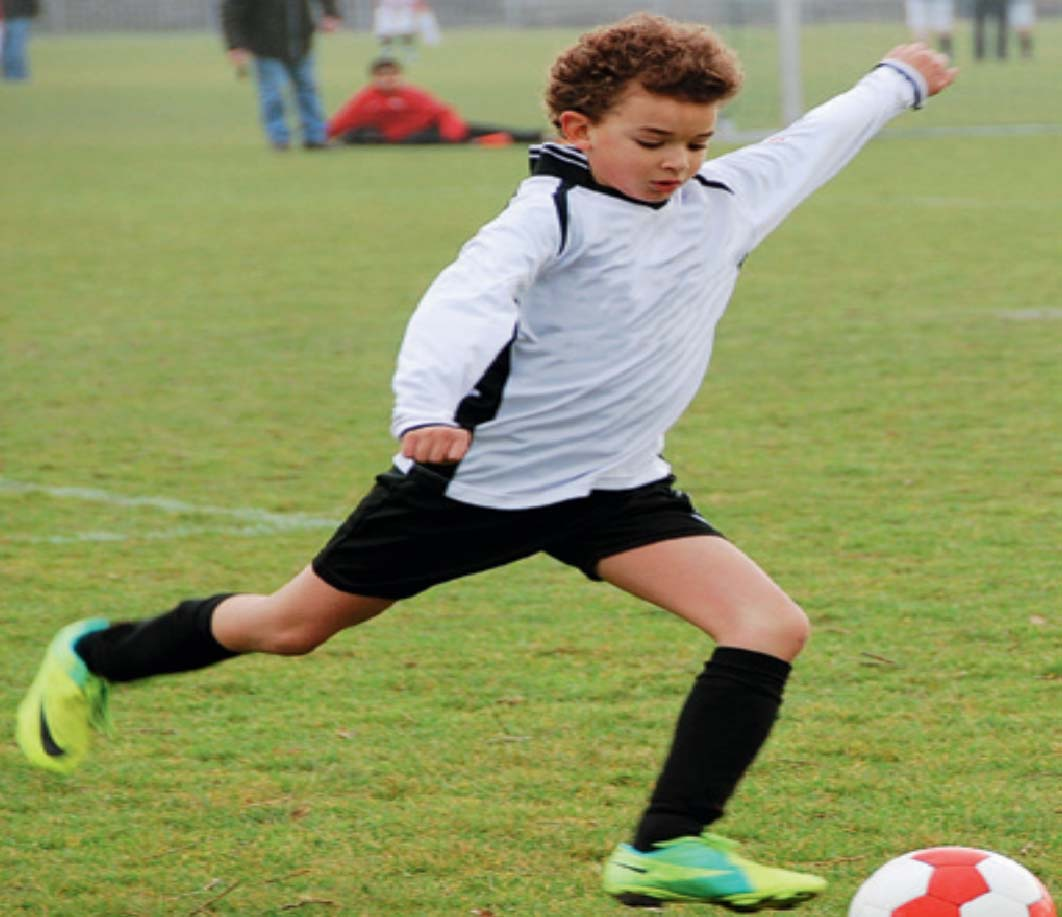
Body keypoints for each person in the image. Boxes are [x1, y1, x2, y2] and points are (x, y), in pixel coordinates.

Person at [15, 14, 956, 911]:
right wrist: (426, 407)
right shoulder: (544, 215)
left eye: (697, 142)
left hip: (615, 486)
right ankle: (97, 652)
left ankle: (665, 845)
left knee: (767, 624)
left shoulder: (724, 202)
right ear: (579, 127)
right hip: (474, 485)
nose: (678, 161)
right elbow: (466, 300)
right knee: (288, 627)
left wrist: (897, 81)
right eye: (653, 139)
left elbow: (817, 138)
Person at [328, 57, 544, 146]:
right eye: (383, 76)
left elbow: (442, 112)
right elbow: (345, 119)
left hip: (433, 130)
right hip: (405, 139)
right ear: (374, 78)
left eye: (392, 75)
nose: (388, 79)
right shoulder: (366, 99)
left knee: (478, 130)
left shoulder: (412, 95)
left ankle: (535, 136)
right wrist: (323, 134)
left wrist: (450, 133)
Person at [221, 0, 340, 151]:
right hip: (265, 47)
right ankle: (279, 139)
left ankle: (315, 138)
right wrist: (235, 44)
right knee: (273, 94)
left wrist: (331, 13)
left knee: (309, 91)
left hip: (301, 44)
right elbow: (232, 9)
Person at [373, 0, 438, 60]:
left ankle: (410, 52)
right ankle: (386, 52)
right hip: (387, 9)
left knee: (407, 31)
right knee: (386, 32)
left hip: (404, 8)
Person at [2, 0, 40, 82]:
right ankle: (10, 75)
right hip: (6, 19)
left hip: (19, 17)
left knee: (15, 49)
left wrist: (32, 14)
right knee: (7, 50)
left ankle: (19, 75)